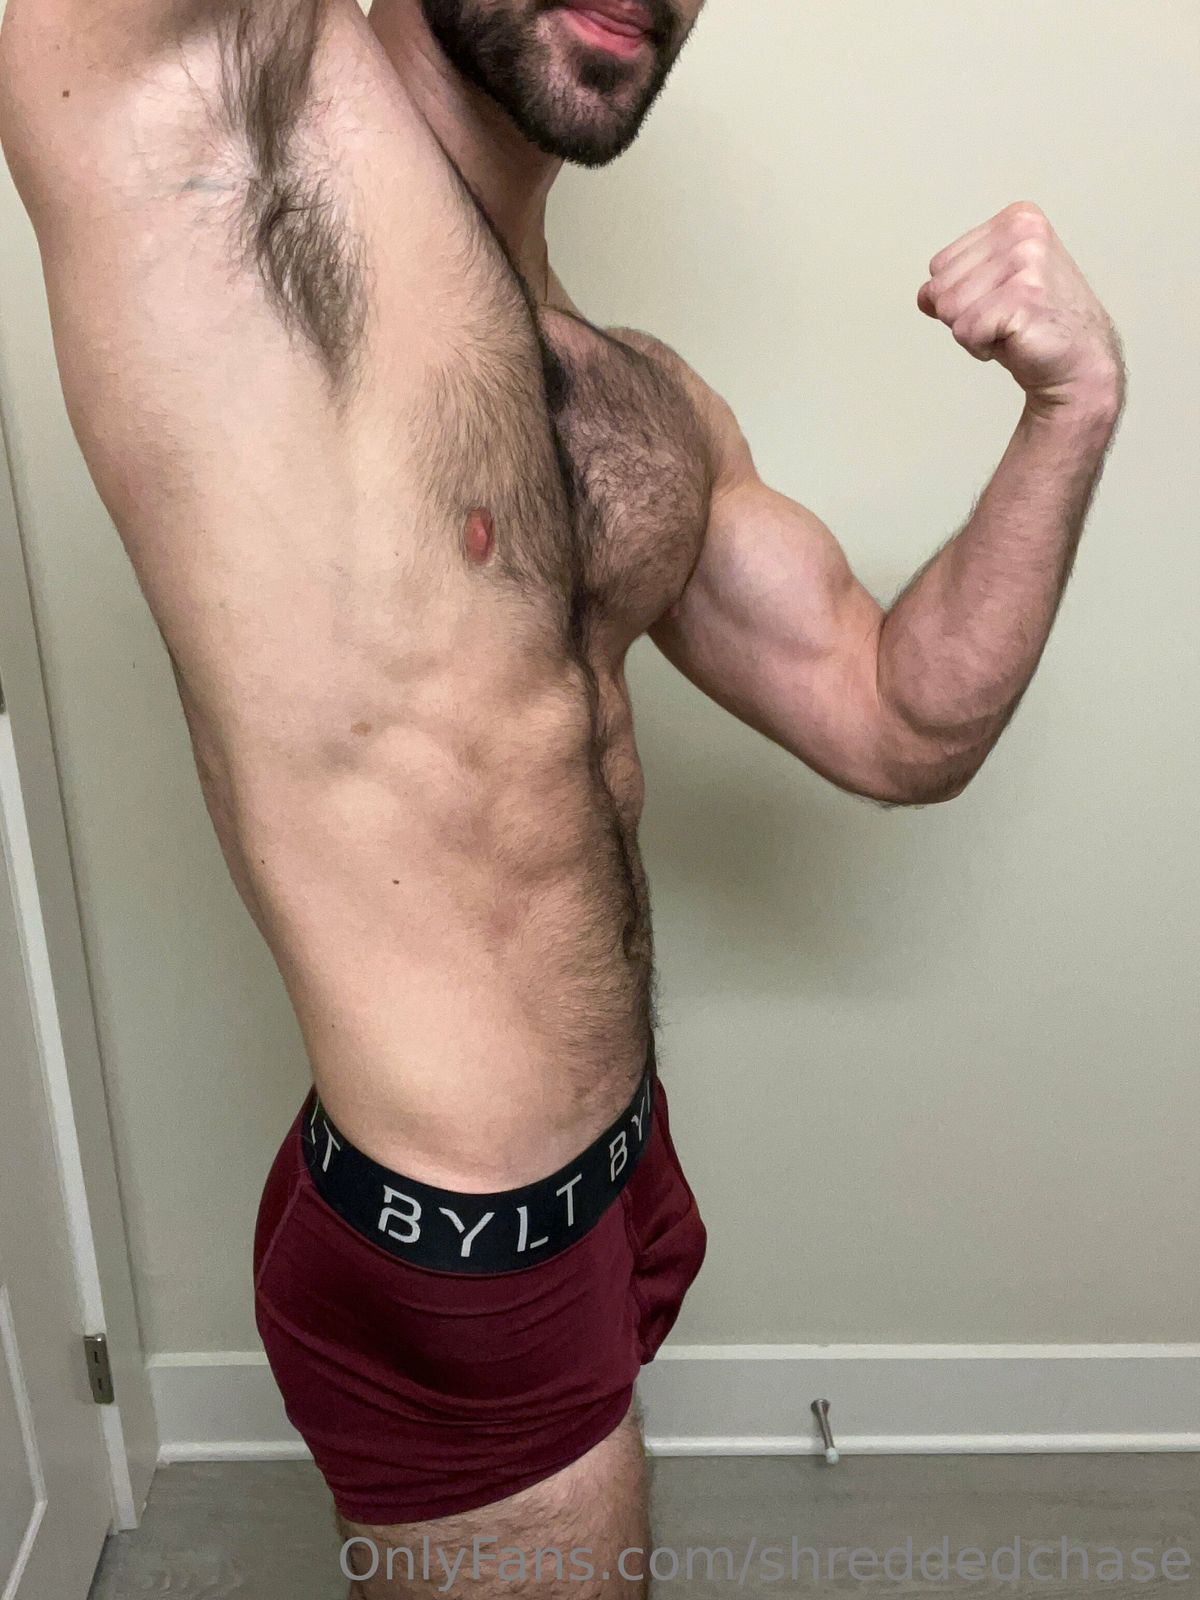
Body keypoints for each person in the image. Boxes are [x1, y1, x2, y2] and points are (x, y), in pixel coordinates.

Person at [0, 1, 1125, 1594]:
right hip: (452, 1262)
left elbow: (901, 721)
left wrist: (1071, 413)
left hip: (619, 1184)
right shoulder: (222, 162)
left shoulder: (642, 399)